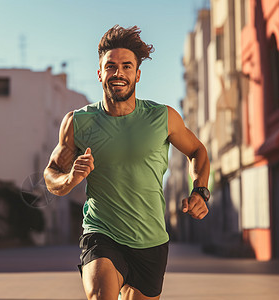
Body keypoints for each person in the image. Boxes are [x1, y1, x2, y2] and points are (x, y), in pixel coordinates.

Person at [44, 25, 210, 300]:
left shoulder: (163, 117)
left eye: (126, 66)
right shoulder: (77, 122)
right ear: (100, 74)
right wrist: (70, 179)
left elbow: (198, 151)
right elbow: (52, 176)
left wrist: (200, 191)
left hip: (151, 242)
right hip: (101, 233)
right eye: (110, 66)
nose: (118, 73)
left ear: (137, 74)